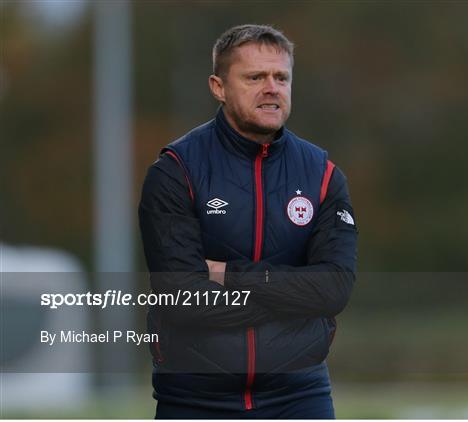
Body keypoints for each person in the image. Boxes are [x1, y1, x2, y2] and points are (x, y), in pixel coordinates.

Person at [139, 24, 358, 419]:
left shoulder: (322, 175)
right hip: (195, 399)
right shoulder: (175, 172)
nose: (271, 87)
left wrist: (228, 276)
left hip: (300, 397)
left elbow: (333, 290)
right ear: (218, 87)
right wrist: (293, 298)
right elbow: (184, 300)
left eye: (281, 77)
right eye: (255, 77)